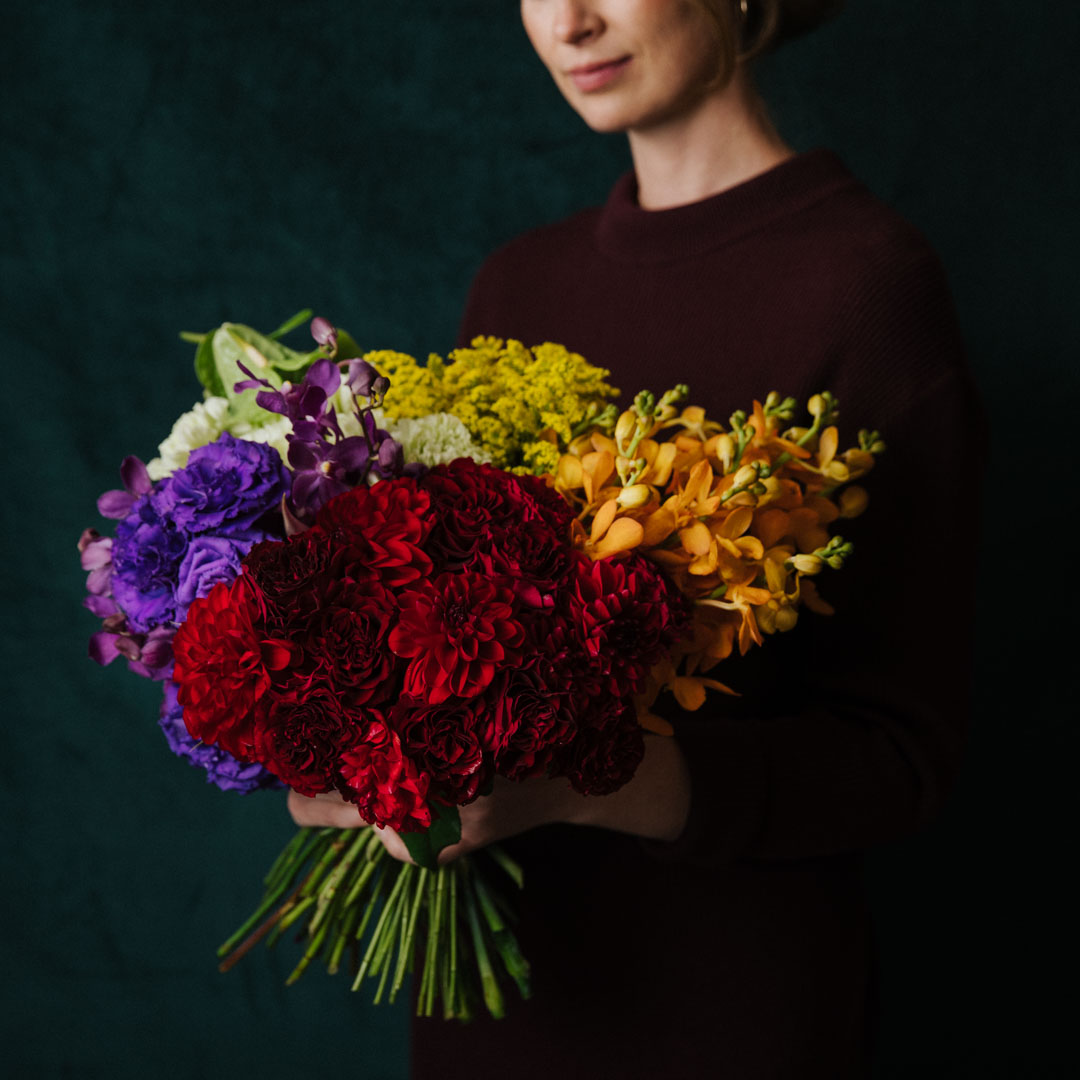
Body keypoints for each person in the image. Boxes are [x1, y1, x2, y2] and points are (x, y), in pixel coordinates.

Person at [290, 1, 982, 1075]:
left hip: (722, 1006)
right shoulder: (517, 285)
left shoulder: (867, 282)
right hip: (501, 996)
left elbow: (900, 757)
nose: (570, 22)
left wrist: (590, 781)